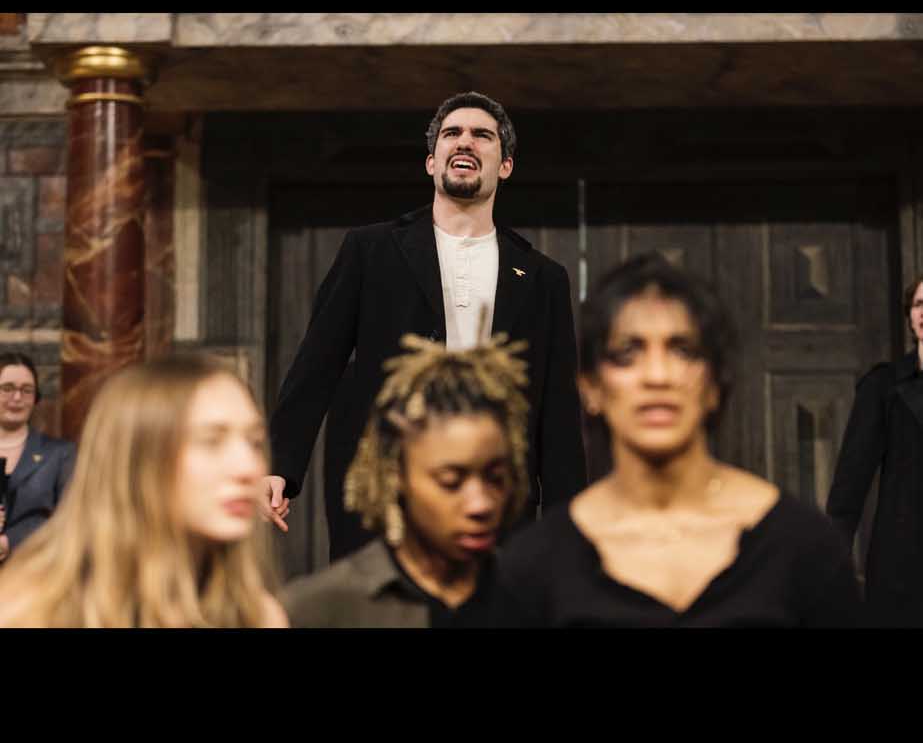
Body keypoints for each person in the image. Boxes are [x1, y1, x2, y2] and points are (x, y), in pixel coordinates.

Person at [265, 91, 586, 560]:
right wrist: (280, 465)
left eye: (482, 135)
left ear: (505, 166)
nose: (465, 142)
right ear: (432, 162)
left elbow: (558, 410)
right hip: (386, 494)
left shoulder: (542, 277)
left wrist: (566, 523)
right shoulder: (370, 251)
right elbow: (316, 365)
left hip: (496, 499)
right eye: (452, 133)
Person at [491, 253, 864, 630]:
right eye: (627, 354)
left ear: (715, 383)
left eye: (683, 351)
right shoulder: (535, 564)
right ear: (591, 387)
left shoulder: (804, 547)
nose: (658, 376)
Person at [0, 354, 288, 629]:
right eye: (212, 441)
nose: (248, 467)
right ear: (139, 459)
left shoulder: (258, 615)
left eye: (254, 442)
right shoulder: (28, 610)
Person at [280, 333, 530, 628]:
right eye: (451, 482)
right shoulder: (318, 610)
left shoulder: (538, 601)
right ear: (396, 477)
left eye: (496, 479)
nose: (481, 504)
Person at [826, 275, 923, 629]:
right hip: (903, 559)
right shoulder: (884, 386)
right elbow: (849, 485)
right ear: (910, 316)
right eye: (919, 304)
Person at [0, 354, 75, 567]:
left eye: (27, 390)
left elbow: (70, 518)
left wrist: (10, 542)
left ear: (35, 398)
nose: (17, 398)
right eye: (7, 388)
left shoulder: (60, 454)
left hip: (34, 570)